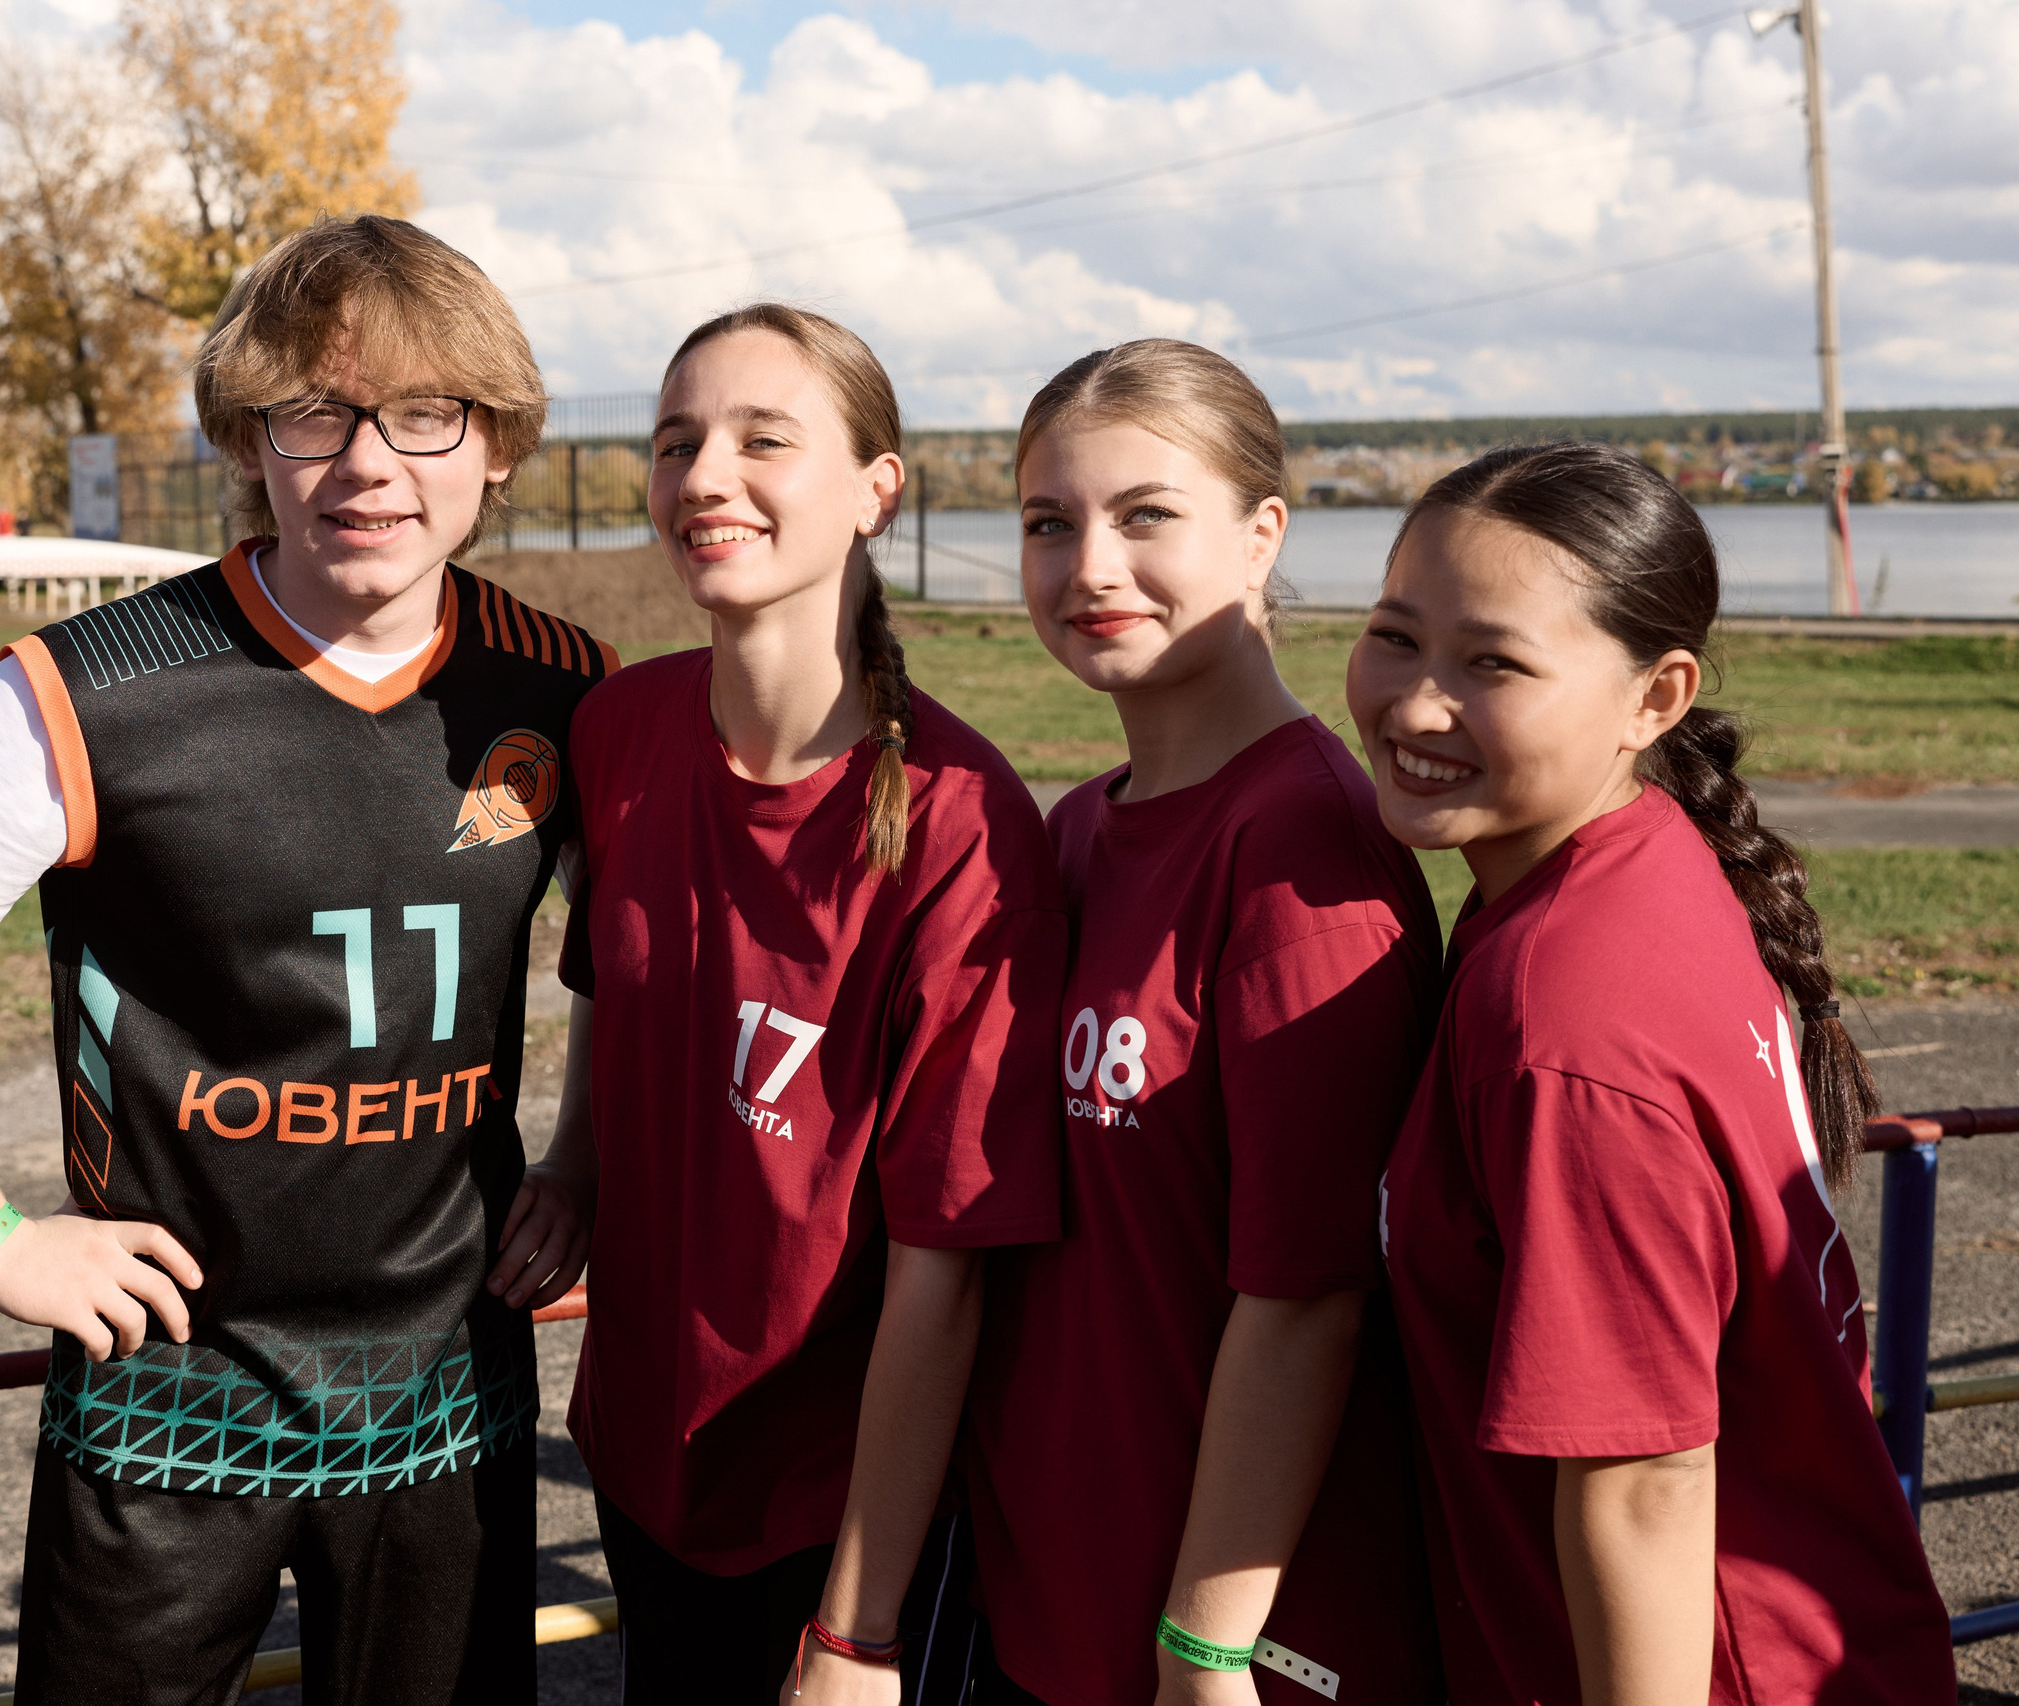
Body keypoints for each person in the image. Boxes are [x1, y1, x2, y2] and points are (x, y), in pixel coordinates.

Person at [0, 215, 611, 1706]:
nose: (367, 465)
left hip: (448, 1376)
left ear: (498, 444)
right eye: (313, 414)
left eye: (425, 415)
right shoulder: (93, 690)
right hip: (171, 1382)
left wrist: (583, 1158)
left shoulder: (558, 683)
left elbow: (625, 955)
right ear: (248, 437)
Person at [499, 305, 1067, 1704]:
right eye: (677, 440)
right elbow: (610, 983)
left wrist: (861, 1628)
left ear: (878, 488)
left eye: (764, 439)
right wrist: (572, 1159)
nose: (704, 477)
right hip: (639, 1450)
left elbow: (945, 1268)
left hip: (836, 1507)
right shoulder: (621, 731)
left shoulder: (960, 823)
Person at [1351, 442, 1954, 1704]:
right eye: (1396, 637)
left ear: (1655, 696)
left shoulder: (1564, 1015)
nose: (1413, 704)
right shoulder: (1634, 860)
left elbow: (1643, 1479)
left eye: (1494, 663)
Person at [962, 341, 1443, 1706]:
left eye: (1146, 515)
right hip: (1046, 1594)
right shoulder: (1071, 833)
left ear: (1261, 536)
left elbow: (1307, 1301)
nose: (1091, 565)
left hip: (1209, 1641)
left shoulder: (1303, 853)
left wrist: (1208, 1641)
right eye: (1050, 523)